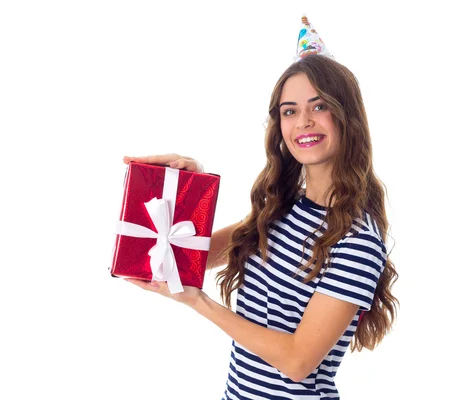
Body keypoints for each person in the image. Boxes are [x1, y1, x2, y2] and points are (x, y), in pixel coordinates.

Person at [122, 15, 399, 400]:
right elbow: (191, 258)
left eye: (319, 107)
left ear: (346, 116)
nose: (303, 122)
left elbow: (298, 361)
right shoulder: (281, 211)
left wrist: (199, 302)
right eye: (289, 110)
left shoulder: (358, 241)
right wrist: (189, 191)